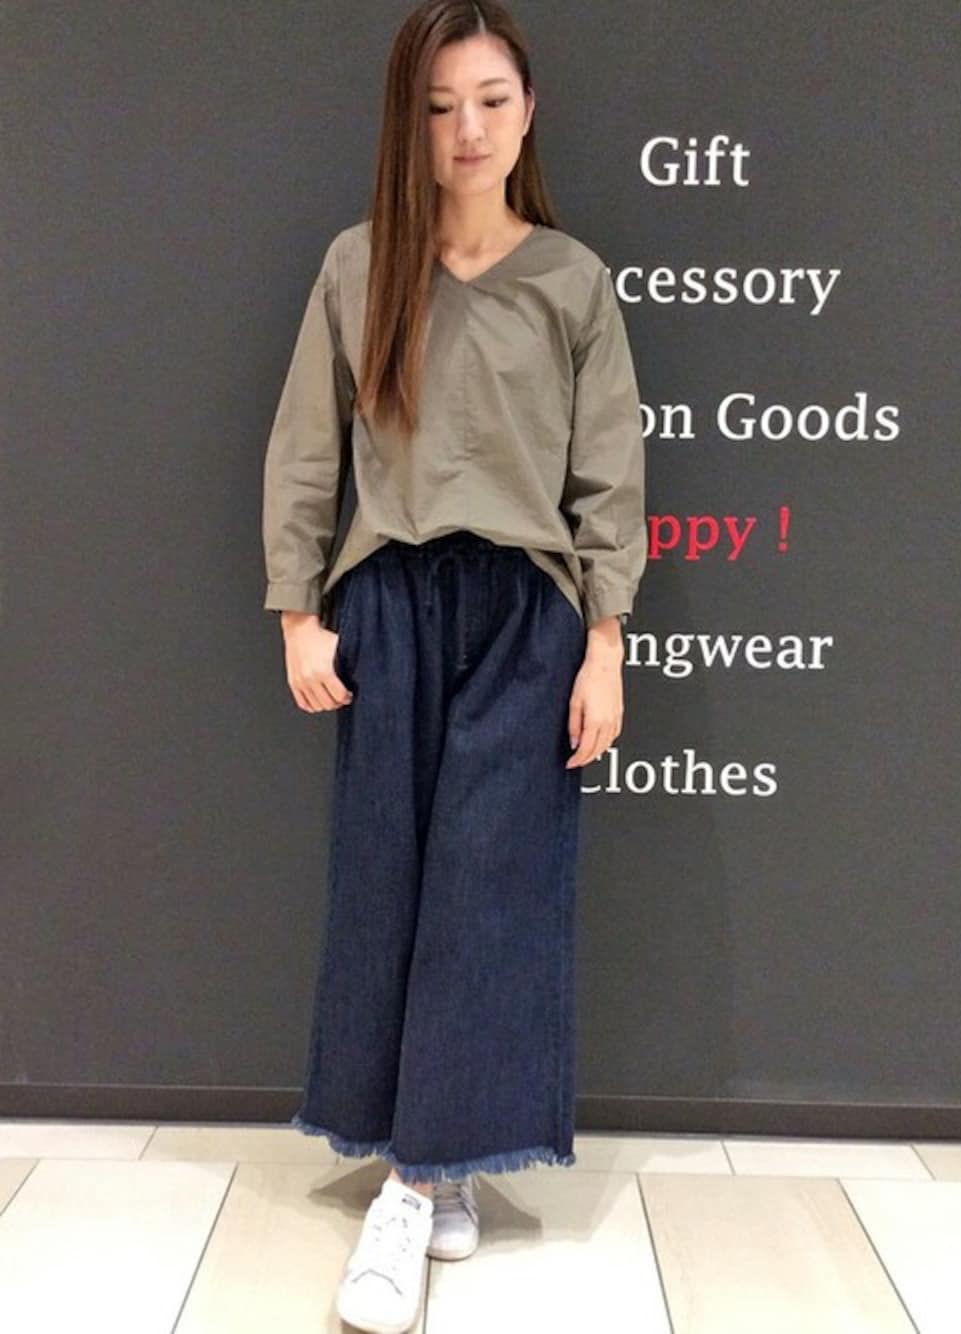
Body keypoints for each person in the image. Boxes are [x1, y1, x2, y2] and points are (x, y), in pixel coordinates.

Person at [260, 2, 646, 1329]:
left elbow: (608, 477)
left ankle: (412, 1189)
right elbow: (307, 449)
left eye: (489, 99)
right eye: (438, 106)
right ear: (407, 122)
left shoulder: (574, 282)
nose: (466, 129)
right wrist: (297, 613)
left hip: (526, 617)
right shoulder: (360, 266)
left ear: (528, 110)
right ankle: (440, 1154)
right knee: (391, 881)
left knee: (490, 889)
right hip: (389, 608)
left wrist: (605, 644)